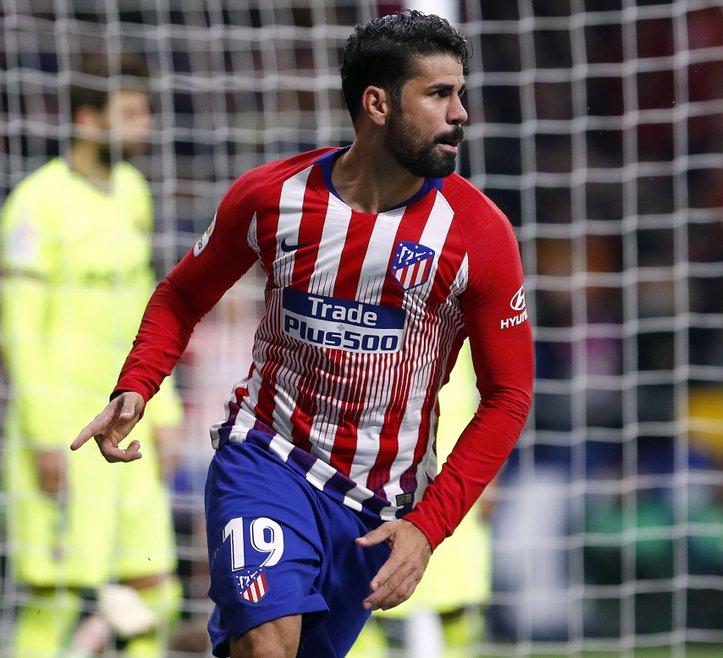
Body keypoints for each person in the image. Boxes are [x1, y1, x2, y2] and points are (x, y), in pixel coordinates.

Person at [70, 10, 533, 658]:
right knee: (267, 647)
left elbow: (509, 395)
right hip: (265, 458)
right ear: (376, 103)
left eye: (461, 93)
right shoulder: (273, 198)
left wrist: (427, 529)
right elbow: (182, 293)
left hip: (374, 506)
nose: (461, 113)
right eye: (438, 94)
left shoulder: (479, 235)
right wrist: (137, 385)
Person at [0, 52, 185, 658]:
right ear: (87, 119)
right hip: (65, 434)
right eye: (130, 113)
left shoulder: (132, 191)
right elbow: (19, 333)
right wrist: (42, 436)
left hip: (127, 419)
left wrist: (166, 412)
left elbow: (148, 315)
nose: (145, 126)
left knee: (153, 591)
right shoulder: (35, 204)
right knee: (54, 599)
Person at [348, 341, 494, 658]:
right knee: (361, 596)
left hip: (456, 475)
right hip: (382, 471)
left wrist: (492, 478)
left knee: (457, 600)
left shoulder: (472, 313)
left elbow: (503, 397)